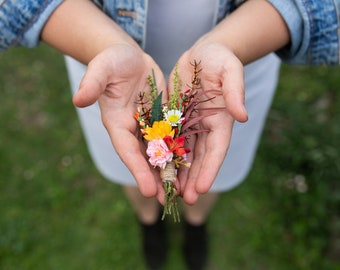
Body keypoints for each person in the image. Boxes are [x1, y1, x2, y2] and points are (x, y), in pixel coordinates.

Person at [1, 0, 339, 269]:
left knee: (209, 170)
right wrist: (105, 44)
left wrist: (227, 43)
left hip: (232, 68)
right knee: (131, 166)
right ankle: (149, 222)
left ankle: (196, 222)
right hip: (106, 65)